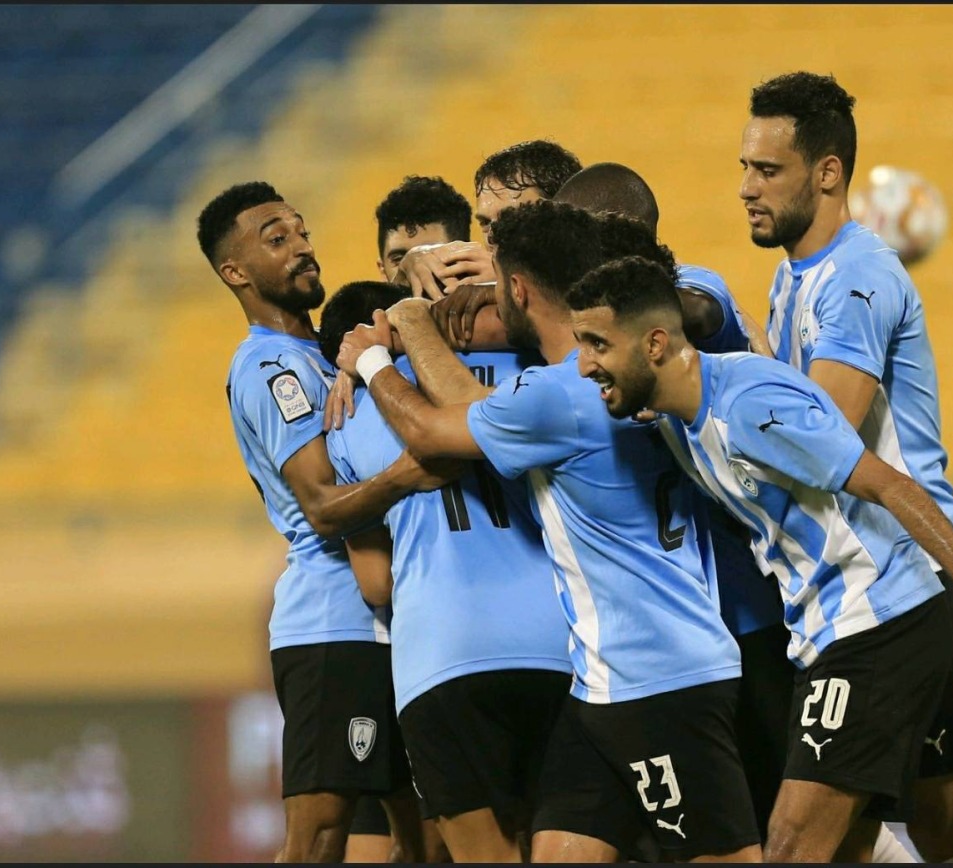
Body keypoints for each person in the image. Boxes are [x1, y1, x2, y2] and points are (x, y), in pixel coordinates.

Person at [564, 254, 953, 864]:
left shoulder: (752, 406)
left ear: (654, 344)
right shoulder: (679, 421)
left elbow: (890, 485)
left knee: (790, 846)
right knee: (851, 847)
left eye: (598, 344)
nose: (584, 364)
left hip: (877, 622)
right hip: (826, 634)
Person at [337, 201, 763, 863]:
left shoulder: (563, 393)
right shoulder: (631, 374)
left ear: (518, 289)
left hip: (661, 674)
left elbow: (434, 428)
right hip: (599, 683)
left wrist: (387, 346)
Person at [740, 70, 953, 864]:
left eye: (768, 170)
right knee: (872, 829)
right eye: (745, 168)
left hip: (920, 571)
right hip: (874, 574)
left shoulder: (858, 278)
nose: (747, 188)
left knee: (924, 825)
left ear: (828, 173)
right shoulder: (794, 274)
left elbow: (820, 432)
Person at [197, 181, 458, 863]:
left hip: (394, 622)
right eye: (276, 239)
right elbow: (319, 504)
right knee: (316, 842)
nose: (302, 247)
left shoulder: (324, 354)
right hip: (334, 626)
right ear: (235, 272)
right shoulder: (272, 367)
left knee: (427, 841)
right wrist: (410, 472)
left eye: (302, 231)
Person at [549, 161, 793, 843]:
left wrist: (632, 313)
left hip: (748, 618)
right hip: (654, 650)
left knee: (794, 835)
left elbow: (703, 311)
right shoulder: (587, 334)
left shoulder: (690, 293)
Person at [318, 278, 571, 863]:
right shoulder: (525, 372)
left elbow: (376, 584)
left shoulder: (348, 419)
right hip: (558, 644)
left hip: (442, 656)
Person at [391, 138, 583, 300]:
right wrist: (405, 275)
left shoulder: (594, 298)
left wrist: (506, 283)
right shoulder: (468, 284)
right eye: (485, 223)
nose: (492, 236)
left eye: (510, 218)